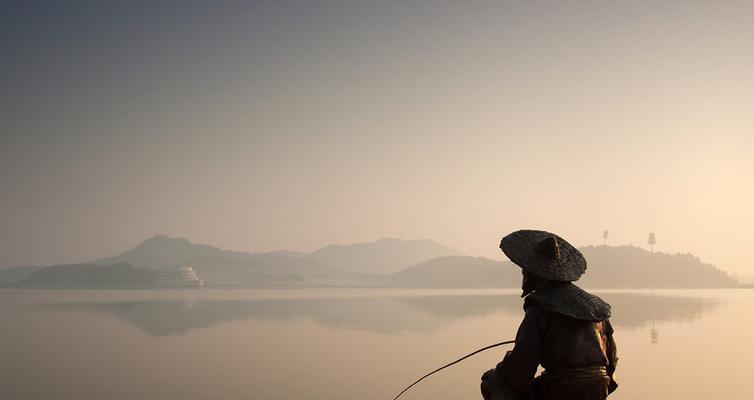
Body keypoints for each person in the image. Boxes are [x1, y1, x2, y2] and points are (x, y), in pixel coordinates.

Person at [481, 230, 618, 400]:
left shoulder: (540, 307)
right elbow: (611, 363)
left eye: (525, 270)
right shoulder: (595, 308)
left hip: (561, 390)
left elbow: (520, 369)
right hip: (598, 388)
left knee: (491, 383)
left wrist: (495, 377)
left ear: (533, 273)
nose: (523, 274)